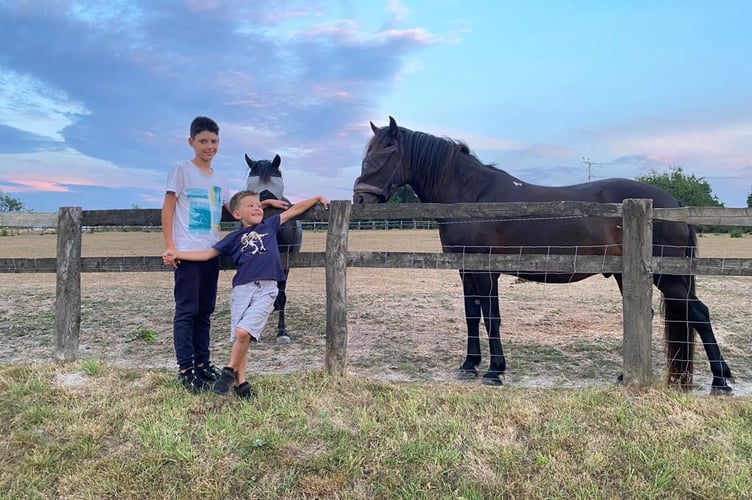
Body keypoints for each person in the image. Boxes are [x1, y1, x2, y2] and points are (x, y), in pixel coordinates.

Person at [162, 190, 329, 398]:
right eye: (250, 206)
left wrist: (316, 197)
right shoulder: (232, 238)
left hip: (267, 289)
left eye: (259, 205)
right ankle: (240, 383)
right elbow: (206, 254)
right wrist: (177, 252)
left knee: (243, 332)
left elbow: (294, 210)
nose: (257, 208)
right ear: (237, 214)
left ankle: (228, 371)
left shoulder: (270, 225)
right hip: (242, 290)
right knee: (242, 338)